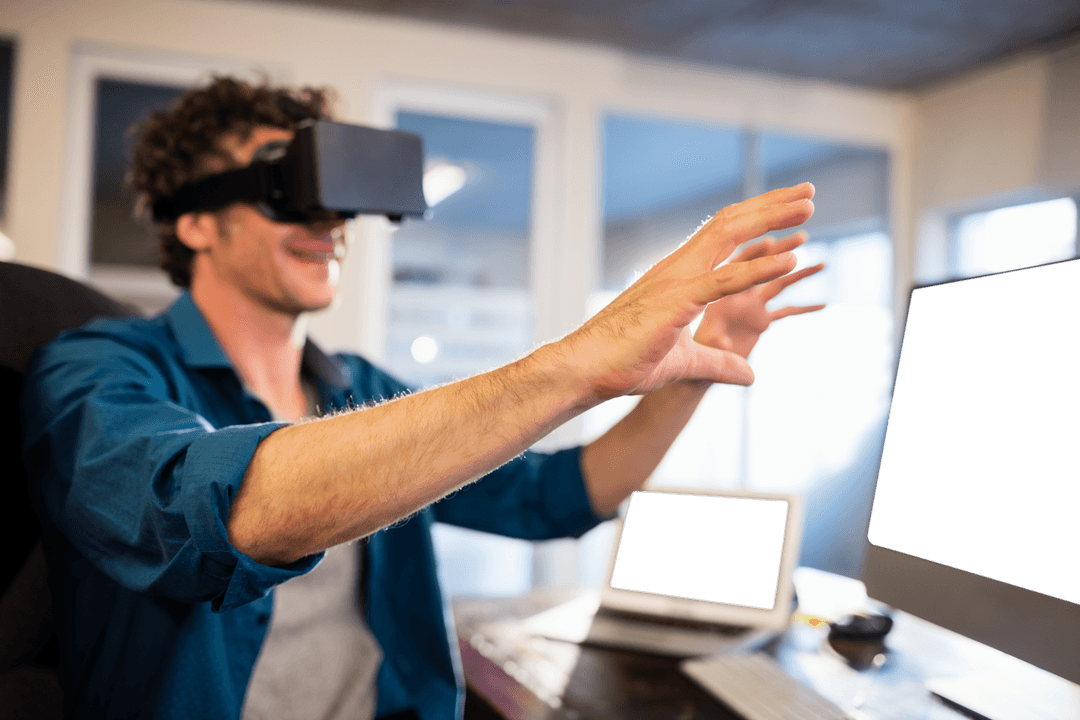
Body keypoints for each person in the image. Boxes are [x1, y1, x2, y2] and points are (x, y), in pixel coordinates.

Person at [20, 77, 824, 720]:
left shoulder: (360, 388)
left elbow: (558, 497)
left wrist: (695, 368)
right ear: (195, 222)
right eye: (289, 187)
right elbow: (199, 513)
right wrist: (575, 364)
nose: (330, 219)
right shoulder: (95, 367)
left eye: (335, 193)